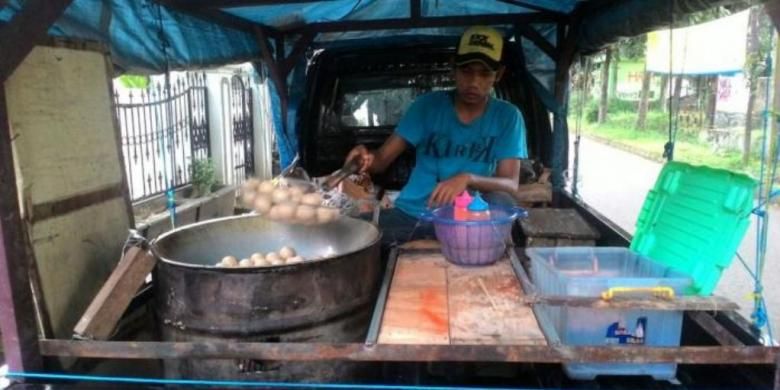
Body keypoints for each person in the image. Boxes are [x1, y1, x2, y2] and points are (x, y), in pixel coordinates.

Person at [345, 26, 528, 247]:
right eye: (467, 71)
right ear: (454, 69)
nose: (474, 82)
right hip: (412, 214)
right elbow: (381, 161)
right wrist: (363, 160)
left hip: (467, 220)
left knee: (503, 200)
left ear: (498, 75)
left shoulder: (508, 116)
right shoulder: (427, 106)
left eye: (484, 73)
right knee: (346, 232)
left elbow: (510, 183)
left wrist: (467, 178)